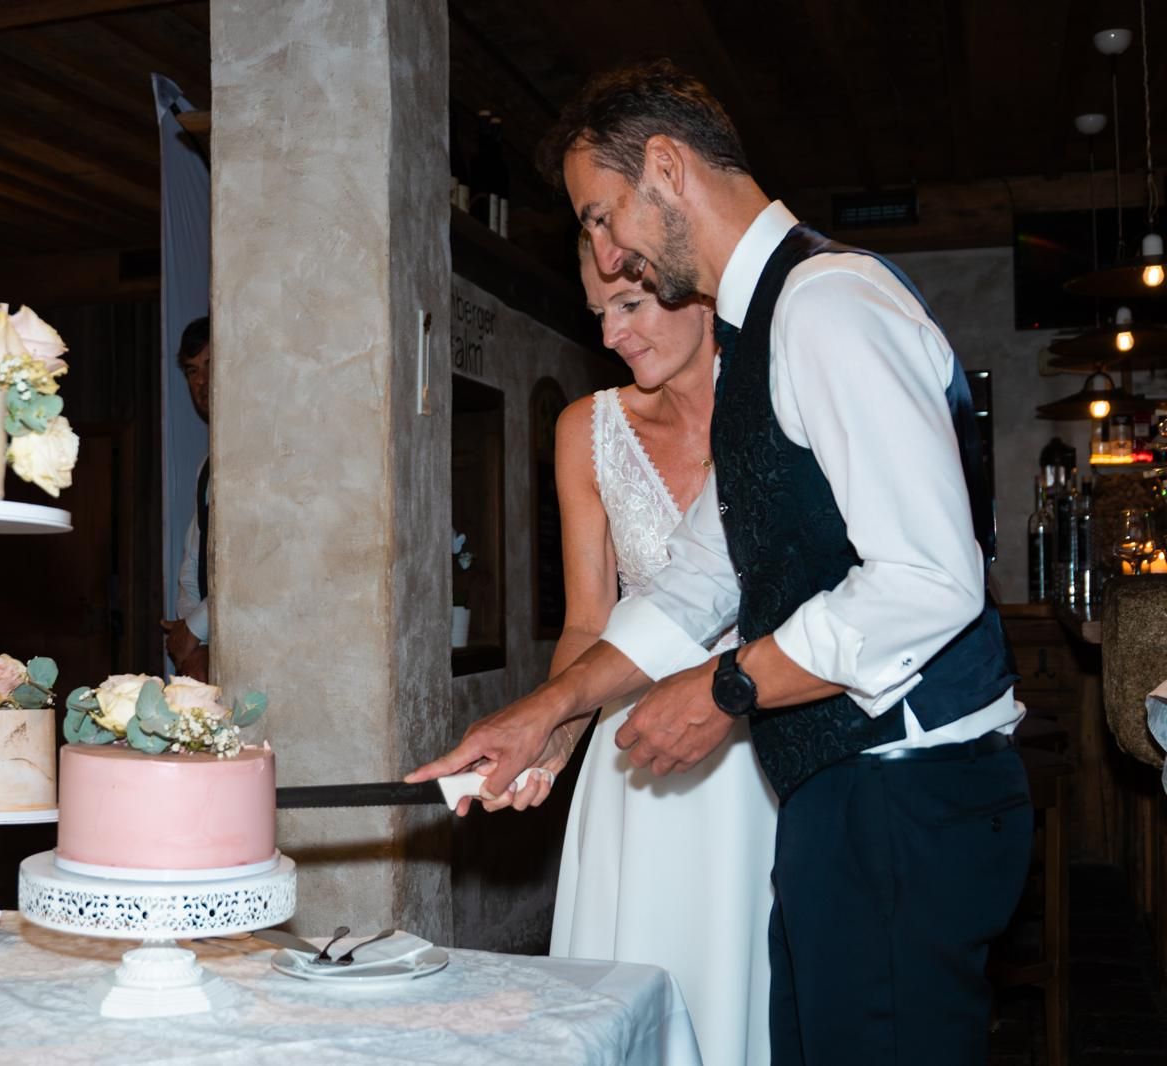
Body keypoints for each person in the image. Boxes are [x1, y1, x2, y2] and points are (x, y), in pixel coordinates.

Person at [411, 61, 1031, 1064]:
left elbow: (930, 581)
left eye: (602, 216)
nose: (604, 254)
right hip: (841, 797)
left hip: (908, 795)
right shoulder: (762, 331)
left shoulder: (825, 307)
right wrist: (547, 711)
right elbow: (703, 575)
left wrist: (732, 684)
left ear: (664, 168)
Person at [522, 231, 775, 1064]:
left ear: (700, 294)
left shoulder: (783, 402)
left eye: (629, 305)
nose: (610, 335)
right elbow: (589, 622)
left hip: (765, 743)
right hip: (634, 764)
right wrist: (551, 745)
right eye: (599, 314)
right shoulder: (584, 430)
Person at [160, 316, 211, 682]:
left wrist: (195, 629)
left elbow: (247, 569)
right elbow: (193, 563)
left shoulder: (259, 458)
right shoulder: (207, 464)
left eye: (211, 365)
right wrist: (192, 638)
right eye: (192, 371)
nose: (201, 382)